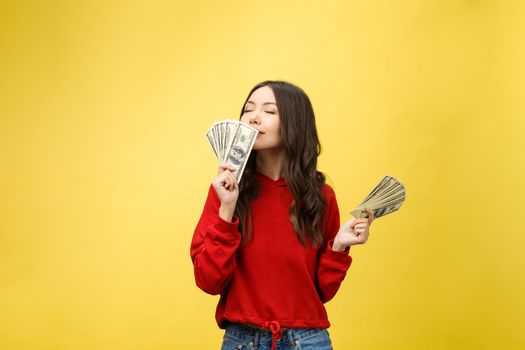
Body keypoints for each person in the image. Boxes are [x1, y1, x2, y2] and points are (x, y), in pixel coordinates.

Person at [190, 80, 374, 350]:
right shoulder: (225, 192)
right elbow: (208, 280)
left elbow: (323, 292)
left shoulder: (320, 197)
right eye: (249, 109)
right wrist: (227, 208)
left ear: (294, 123)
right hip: (243, 341)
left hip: (309, 342)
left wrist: (339, 246)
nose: (253, 117)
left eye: (269, 111)